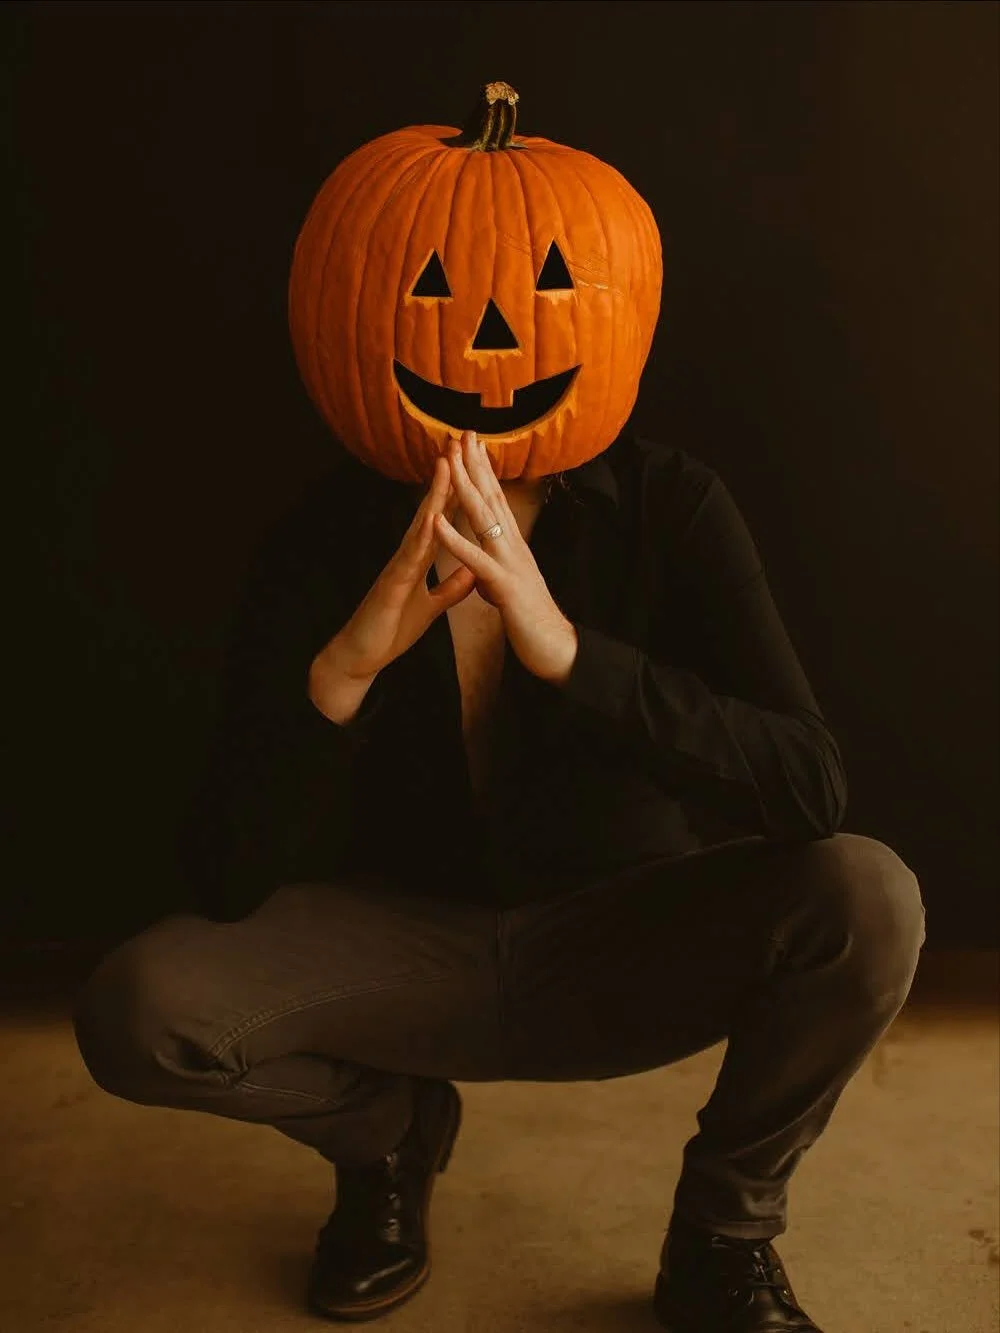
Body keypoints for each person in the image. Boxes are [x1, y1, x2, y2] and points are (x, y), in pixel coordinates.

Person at [71, 426, 926, 1332]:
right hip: (401, 959)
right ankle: (389, 1135)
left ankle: (721, 1232)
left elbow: (809, 785)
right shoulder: (325, 526)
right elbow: (224, 873)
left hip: (619, 939)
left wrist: (569, 655)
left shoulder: (667, 503)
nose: (483, 333)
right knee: (139, 1009)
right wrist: (343, 672)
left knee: (868, 897)